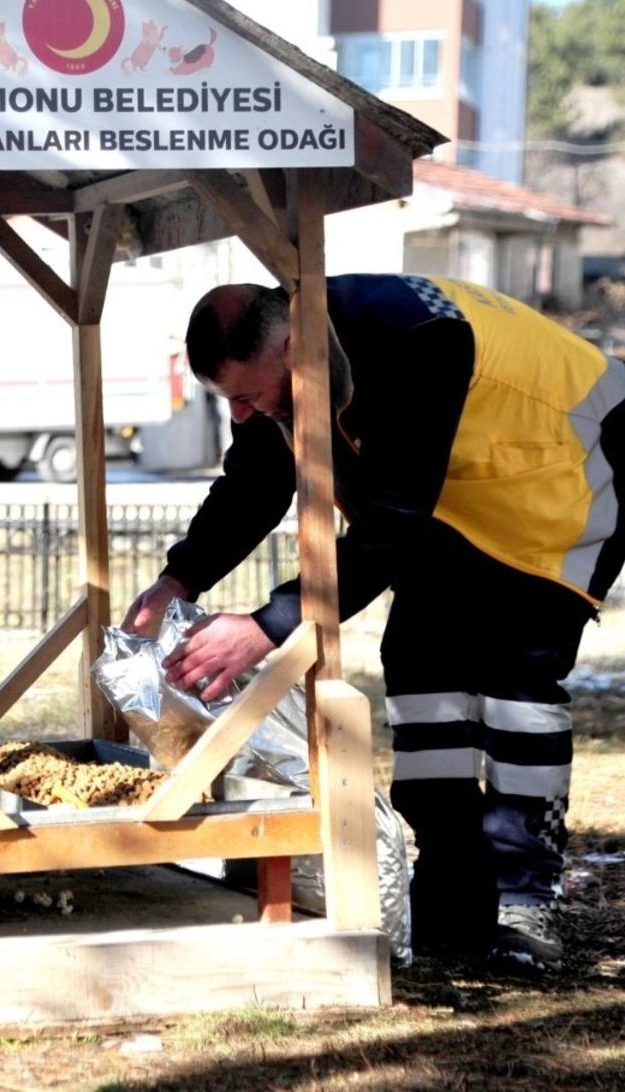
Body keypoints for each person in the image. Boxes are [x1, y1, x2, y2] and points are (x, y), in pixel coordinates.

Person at [124, 274, 625, 972]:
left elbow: (391, 522)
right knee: (420, 667)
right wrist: (178, 579)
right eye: (228, 400)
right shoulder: (295, 355)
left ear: (295, 352)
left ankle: (523, 897)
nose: (241, 415)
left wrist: (271, 623)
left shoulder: (416, 343)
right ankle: (454, 890)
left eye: (246, 396)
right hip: (459, 503)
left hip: (571, 475)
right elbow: (254, 483)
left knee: (518, 680)